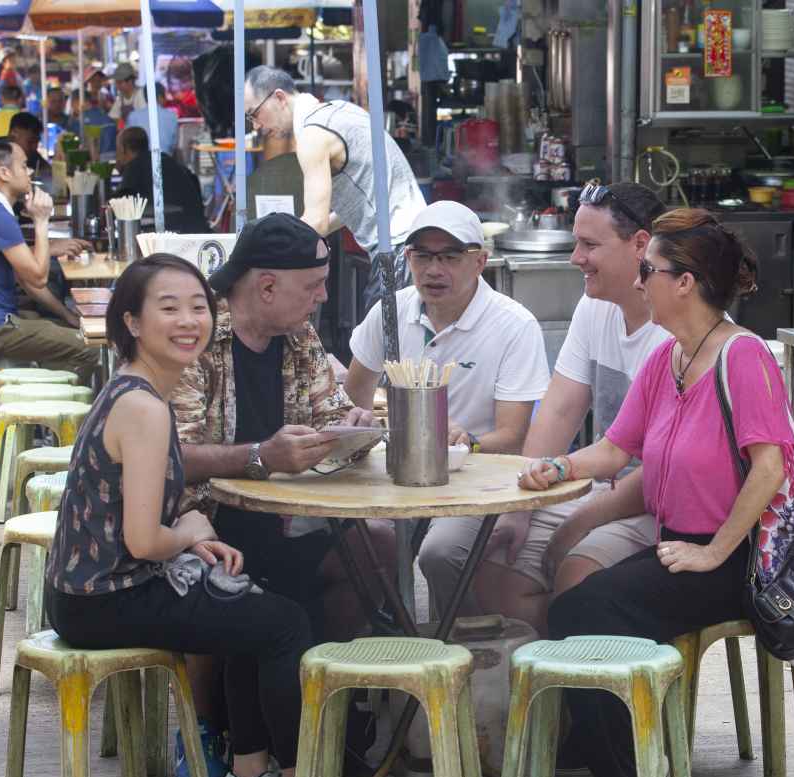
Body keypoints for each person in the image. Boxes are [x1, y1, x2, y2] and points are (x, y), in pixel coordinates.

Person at [518, 209, 794, 777]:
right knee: (579, 609)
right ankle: (616, 770)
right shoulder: (669, 359)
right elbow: (614, 452)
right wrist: (555, 466)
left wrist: (713, 551)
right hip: (685, 545)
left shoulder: (743, 356)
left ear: (686, 283)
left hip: (740, 559)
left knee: (582, 613)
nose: (639, 281)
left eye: (649, 270)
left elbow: (770, 468)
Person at [44, 251, 383, 777]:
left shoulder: (131, 390)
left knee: (252, 598)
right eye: (168, 309)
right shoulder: (145, 408)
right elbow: (144, 538)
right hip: (105, 598)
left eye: (198, 307)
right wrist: (192, 533)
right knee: (283, 625)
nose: (188, 321)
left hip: (89, 590)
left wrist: (188, 545)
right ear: (131, 322)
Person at [169, 213, 390, 777]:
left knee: (365, 561)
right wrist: (261, 456)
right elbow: (172, 456)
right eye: (313, 286)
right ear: (266, 286)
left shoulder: (298, 336)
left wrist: (351, 425)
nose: (322, 298)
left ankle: (324, 724)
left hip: (273, 514)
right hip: (189, 520)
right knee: (246, 579)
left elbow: (324, 412)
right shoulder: (195, 335)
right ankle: (206, 730)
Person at [450, 183, 671, 635]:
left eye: (590, 245)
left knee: (576, 577)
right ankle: (546, 691)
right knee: (484, 561)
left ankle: (582, 683)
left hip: (662, 507)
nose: (575, 258)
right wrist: (518, 509)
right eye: (575, 242)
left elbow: (660, 470)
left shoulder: (678, 329)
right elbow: (558, 412)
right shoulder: (597, 308)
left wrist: (580, 520)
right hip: (601, 486)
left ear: (641, 245)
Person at [343, 201, 550, 616]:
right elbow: (355, 393)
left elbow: (513, 436)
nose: (435, 270)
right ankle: (385, 645)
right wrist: (359, 430)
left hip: (476, 475)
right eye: (423, 256)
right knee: (362, 542)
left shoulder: (513, 324)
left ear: (480, 262)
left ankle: (467, 647)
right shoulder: (391, 311)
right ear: (407, 259)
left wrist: (467, 443)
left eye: (450, 257)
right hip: (398, 470)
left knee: (440, 554)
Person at [243, 65, 426, 309]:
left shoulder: (313, 135)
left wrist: (265, 251)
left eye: (254, 114)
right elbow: (364, 194)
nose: (256, 126)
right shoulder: (342, 110)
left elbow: (315, 223)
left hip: (398, 253)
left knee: (382, 345)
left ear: (279, 98)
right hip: (418, 241)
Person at [0, 139, 98, 380]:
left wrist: (66, 314)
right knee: (90, 348)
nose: (29, 172)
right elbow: (38, 277)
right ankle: (48, 413)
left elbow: (27, 279)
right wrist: (41, 221)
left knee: (66, 328)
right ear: (4, 173)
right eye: (23, 166)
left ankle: (40, 399)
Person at [114, 126, 208, 234]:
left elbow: (119, 203)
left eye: (117, 149)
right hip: (195, 224)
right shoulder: (162, 159)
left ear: (124, 149)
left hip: (175, 231)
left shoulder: (135, 166)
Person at [126, 80, 179, 150]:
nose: (166, 100)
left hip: (141, 159)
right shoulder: (172, 116)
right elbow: (174, 144)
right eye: (165, 96)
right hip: (165, 158)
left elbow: (128, 142)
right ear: (160, 97)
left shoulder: (133, 116)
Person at [7, 112, 52, 191]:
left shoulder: (33, 156)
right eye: (30, 142)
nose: (34, 147)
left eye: (37, 142)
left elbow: (50, 176)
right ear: (13, 135)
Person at [108, 62, 147, 127]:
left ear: (130, 81)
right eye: (116, 82)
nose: (117, 86)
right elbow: (113, 117)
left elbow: (142, 118)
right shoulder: (121, 98)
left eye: (120, 82)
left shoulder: (140, 94)